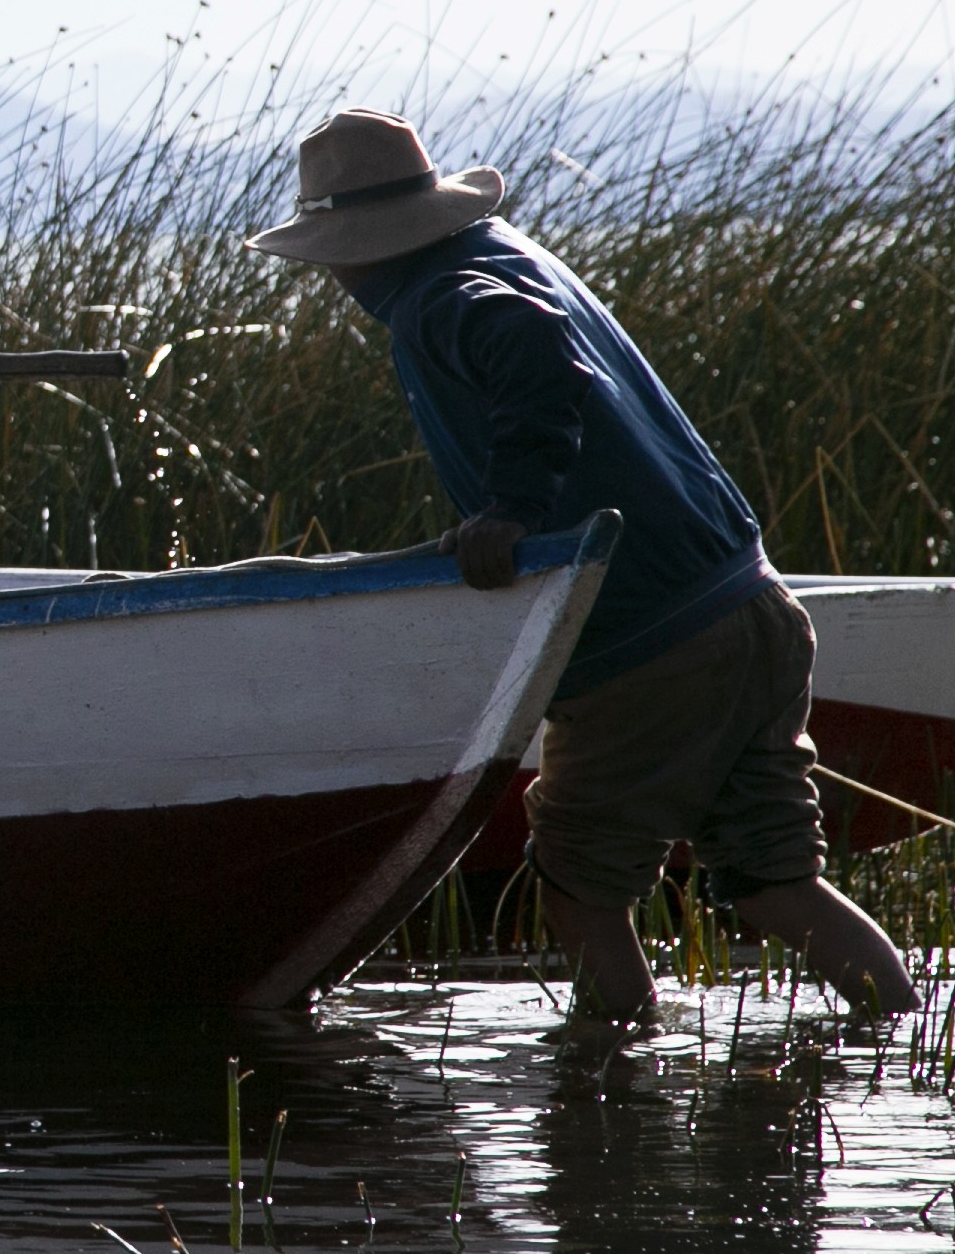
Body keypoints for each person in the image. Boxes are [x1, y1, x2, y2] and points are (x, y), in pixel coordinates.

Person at [246, 107, 919, 1027]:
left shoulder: (441, 295)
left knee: (576, 882)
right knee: (775, 885)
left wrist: (510, 509)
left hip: (649, 650)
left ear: (350, 245)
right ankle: (912, 1046)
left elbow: (535, 361)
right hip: (752, 607)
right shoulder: (507, 253)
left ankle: (614, 1086)